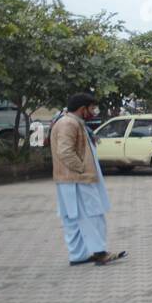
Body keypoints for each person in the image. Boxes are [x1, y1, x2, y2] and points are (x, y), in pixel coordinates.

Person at [52, 92, 126, 266]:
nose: (93, 111)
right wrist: (82, 168)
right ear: (81, 108)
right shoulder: (68, 123)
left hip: (71, 179)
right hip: (78, 179)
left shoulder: (72, 122)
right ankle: (100, 253)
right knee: (92, 215)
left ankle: (78, 256)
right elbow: (65, 151)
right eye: (91, 108)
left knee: (73, 218)